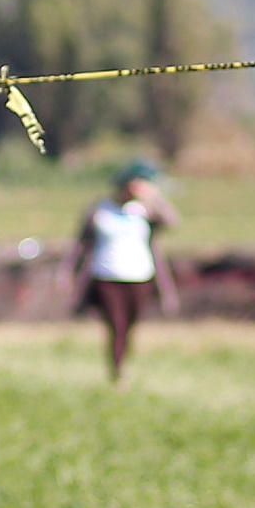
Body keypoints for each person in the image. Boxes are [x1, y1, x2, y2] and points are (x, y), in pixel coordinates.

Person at [67, 161, 179, 384]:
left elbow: (172, 221)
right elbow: (81, 243)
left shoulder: (145, 210)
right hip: (106, 275)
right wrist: (69, 271)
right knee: (116, 325)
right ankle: (117, 373)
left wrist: (154, 199)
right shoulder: (100, 209)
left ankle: (123, 362)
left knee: (130, 325)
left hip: (139, 275)